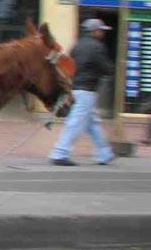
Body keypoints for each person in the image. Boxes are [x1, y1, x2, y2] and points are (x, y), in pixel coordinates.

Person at [50, 18, 116, 166]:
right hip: (87, 90)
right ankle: (60, 152)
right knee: (75, 122)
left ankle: (105, 153)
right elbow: (106, 68)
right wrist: (110, 69)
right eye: (101, 30)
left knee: (93, 123)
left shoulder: (77, 46)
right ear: (94, 31)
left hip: (76, 87)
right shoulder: (96, 47)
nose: (102, 33)